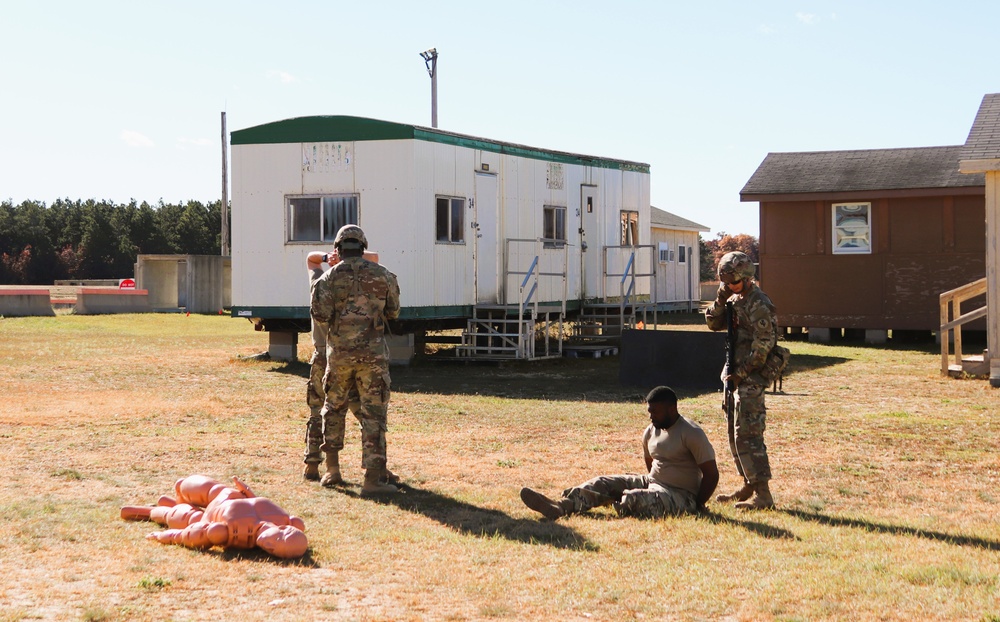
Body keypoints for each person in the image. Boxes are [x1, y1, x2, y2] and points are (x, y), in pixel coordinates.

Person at [519, 386, 719, 520]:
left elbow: (711, 474)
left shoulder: (691, 433)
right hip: (652, 483)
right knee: (602, 482)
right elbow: (649, 462)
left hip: (681, 494)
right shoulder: (650, 431)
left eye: (655, 412)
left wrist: (697, 504)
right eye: (649, 412)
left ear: (672, 408)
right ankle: (562, 506)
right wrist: (652, 481)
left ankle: (620, 501)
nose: (651, 417)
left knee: (636, 498)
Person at [311, 225, 401, 495]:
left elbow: (320, 315)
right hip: (372, 359)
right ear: (363, 248)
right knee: (373, 414)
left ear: (337, 249)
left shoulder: (327, 279)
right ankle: (373, 479)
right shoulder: (383, 275)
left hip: (338, 357)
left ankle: (332, 471)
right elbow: (394, 312)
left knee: (334, 409)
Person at [704, 250, 778, 510]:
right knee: (734, 434)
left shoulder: (758, 302)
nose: (730, 286)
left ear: (747, 277)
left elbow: (764, 345)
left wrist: (742, 374)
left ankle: (763, 494)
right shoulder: (734, 299)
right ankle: (748, 483)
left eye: (733, 282)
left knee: (749, 434)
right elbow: (713, 324)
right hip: (734, 375)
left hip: (750, 375)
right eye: (726, 282)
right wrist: (721, 300)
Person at [121, 474, 308, 559]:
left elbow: (192, 536)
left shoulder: (229, 533)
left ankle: (151, 511)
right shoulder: (285, 519)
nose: (268, 546)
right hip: (224, 494)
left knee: (181, 516)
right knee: (184, 484)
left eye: (272, 551)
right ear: (285, 528)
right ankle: (179, 496)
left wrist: (164, 536)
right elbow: (256, 502)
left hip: (208, 517)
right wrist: (248, 493)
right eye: (276, 540)